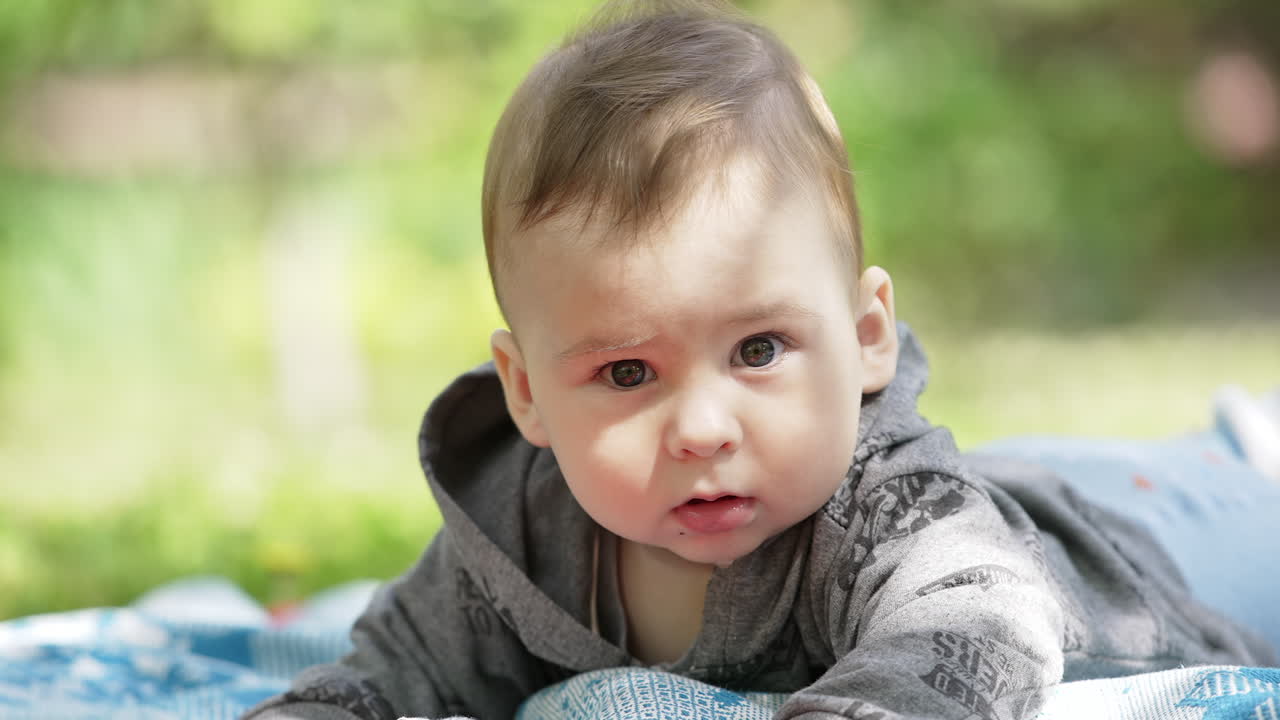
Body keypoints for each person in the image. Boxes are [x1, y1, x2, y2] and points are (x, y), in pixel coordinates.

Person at [244, 2, 1277, 719]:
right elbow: (399, 664)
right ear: (526, 393)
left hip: (1185, 531)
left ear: (865, 333)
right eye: (625, 374)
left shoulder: (886, 508)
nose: (701, 427)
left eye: (757, 349)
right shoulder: (521, 533)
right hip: (1034, 476)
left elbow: (978, 616)